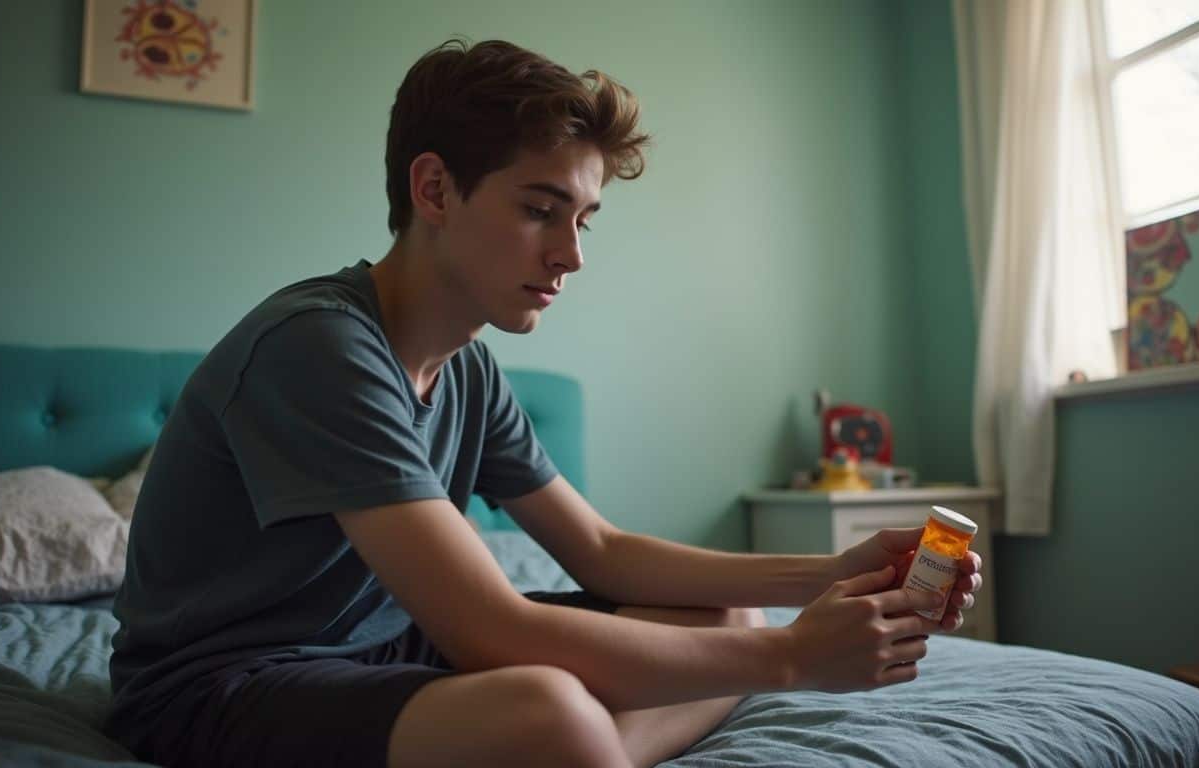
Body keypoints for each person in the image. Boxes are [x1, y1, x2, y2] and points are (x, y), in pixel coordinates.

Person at [104, 38, 982, 768]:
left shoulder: (470, 370)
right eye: (540, 208)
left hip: (384, 647)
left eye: (584, 219)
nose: (571, 255)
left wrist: (830, 576)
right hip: (223, 685)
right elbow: (489, 628)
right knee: (546, 709)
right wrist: (793, 659)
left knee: (723, 618)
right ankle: (578, 749)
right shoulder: (318, 347)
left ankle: (590, 754)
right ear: (435, 190)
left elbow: (600, 551)